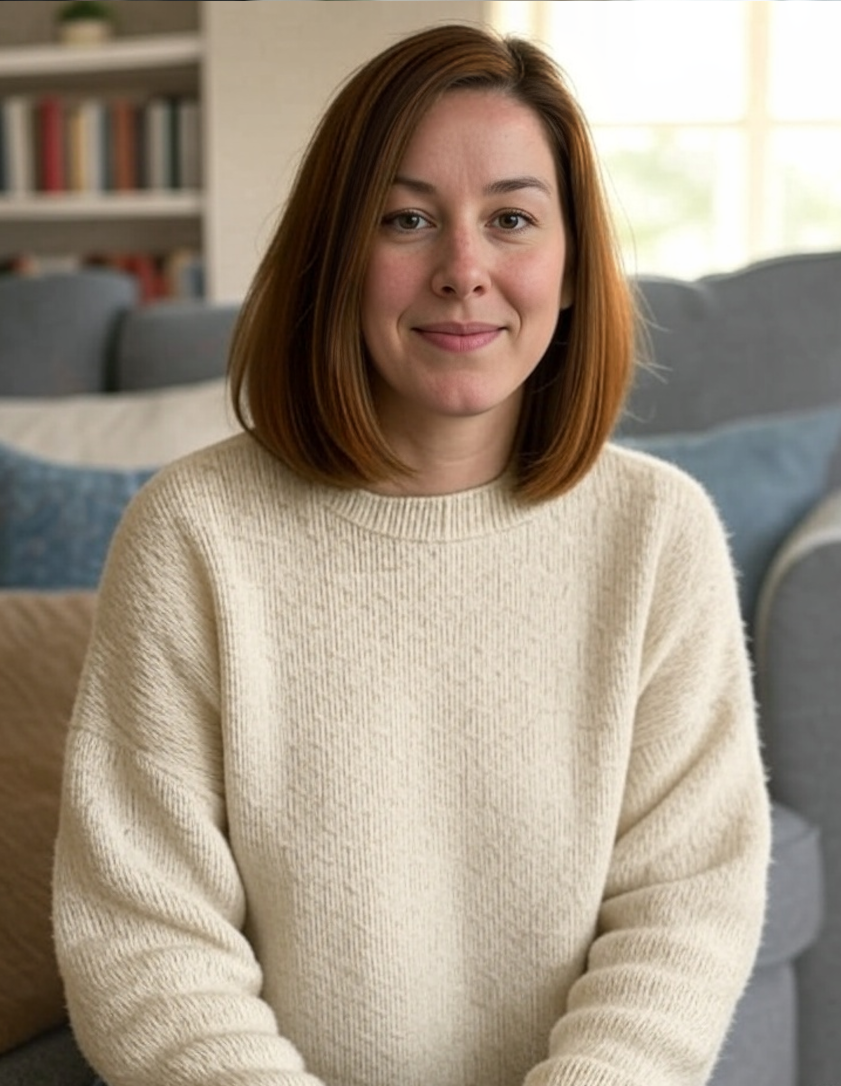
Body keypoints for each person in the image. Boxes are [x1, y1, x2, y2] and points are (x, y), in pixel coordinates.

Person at [53, 22, 770, 1086]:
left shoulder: (657, 535)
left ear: (570, 269)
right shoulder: (191, 533)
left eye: (512, 219)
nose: (462, 270)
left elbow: (685, 913)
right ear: (335, 255)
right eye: (406, 218)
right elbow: (144, 940)